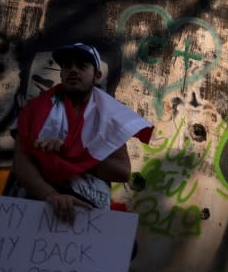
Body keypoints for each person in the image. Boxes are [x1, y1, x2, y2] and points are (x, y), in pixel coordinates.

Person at [10, 42, 153, 223]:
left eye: (82, 66)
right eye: (67, 66)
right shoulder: (33, 111)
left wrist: (68, 152)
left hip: (91, 214)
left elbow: (122, 172)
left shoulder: (108, 117)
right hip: (40, 207)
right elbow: (21, 165)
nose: (73, 70)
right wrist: (52, 196)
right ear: (61, 73)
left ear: (97, 76)